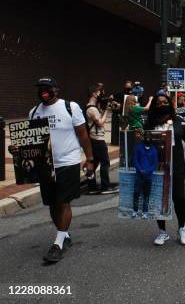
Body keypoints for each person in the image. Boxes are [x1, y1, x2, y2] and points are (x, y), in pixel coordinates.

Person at [29, 77, 95, 262]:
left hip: (68, 161)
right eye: (40, 88)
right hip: (46, 165)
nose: (43, 91)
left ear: (56, 89)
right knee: (52, 203)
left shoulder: (70, 107)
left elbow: (83, 135)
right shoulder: (33, 112)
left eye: (47, 87)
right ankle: (64, 235)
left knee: (63, 202)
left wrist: (89, 159)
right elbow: (30, 142)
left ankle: (58, 243)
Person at [146, 94, 185, 246]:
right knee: (159, 199)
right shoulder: (150, 123)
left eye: (165, 102)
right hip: (157, 166)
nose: (162, 105)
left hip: (176, 165)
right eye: (158, 103)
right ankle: (162, 232)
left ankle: (182, 228)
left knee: (179, 198)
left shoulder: (178, 120)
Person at [84, 84, 118, 195]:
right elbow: (100, 122)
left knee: (94, 162)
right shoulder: (91, 109)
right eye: (99, 93)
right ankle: (105, 186)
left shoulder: (92, 107)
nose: (101, 95)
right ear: (94, 93)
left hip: (94, 138)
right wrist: (107, 111)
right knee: (105, 162)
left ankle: (92, 186)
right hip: (97, 139)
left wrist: (104, 108)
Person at [132, 132, 158, 219]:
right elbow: (135, 160)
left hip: (148, 176)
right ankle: (135, 211)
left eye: (149, 137)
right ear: (144, 138)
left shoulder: (154, 149)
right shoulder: (138, 147)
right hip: (139, 175)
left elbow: (154, 164)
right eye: (146, 137)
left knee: (146, 195)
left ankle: (145, 212)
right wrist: (140, 169)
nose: (147, 138)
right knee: (136, 194)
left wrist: (147, 171)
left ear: (151, 139)